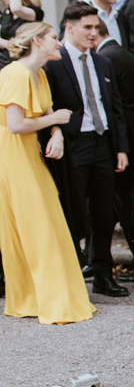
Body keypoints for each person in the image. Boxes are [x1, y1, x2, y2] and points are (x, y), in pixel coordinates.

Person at [0, 22, 95, 323]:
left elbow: (43, 114)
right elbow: (15, 124)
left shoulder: (38, 73)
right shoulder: (15, 73)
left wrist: (57, 131)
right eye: (54, 38)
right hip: (12, 155)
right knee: (36, 226)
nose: (59, 43)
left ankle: (44, 297)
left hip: (28, 153)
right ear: (37, 42)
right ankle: (41, 299)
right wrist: (55, 119)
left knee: (49, 222)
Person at [43, 2, 131, 298]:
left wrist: (121, 148)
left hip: (103, 145)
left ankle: (103, 275)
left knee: (105, 212)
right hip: (72, 146)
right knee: (71, 211)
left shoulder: (103, 62)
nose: (94, 33)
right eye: (88, 28)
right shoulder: (53, 62)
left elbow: (115, 108)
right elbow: (46, 105)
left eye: (97, 27)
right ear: (69, 27)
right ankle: (69, 276)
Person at [96, 18, 134, 281]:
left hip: (125, 142)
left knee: (124, 203)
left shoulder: (105, 58)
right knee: (125, 203)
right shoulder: (122, 53)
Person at [0, 0, 44, 69]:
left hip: (23, 64)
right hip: (5, 63)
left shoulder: (35, 12)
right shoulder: (7, 14)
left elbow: (16, 8)